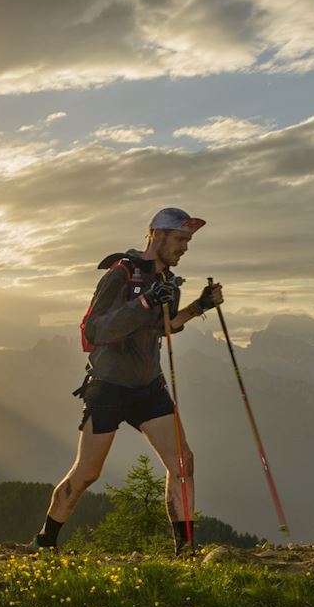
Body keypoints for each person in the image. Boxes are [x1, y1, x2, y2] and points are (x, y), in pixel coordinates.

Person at [33, 207, 224, 556]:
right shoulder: (119, 275)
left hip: (148, 386)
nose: (185, 248)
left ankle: (186, 549)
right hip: (109, 386)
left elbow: (161, 327)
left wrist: (199, 306)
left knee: (183, 462)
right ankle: (44, 541)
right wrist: (144, 301)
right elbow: (94, 330)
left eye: (188, 241)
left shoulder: (167, 282)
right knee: (88, 473)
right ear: (157, 234)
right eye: (181, 239)